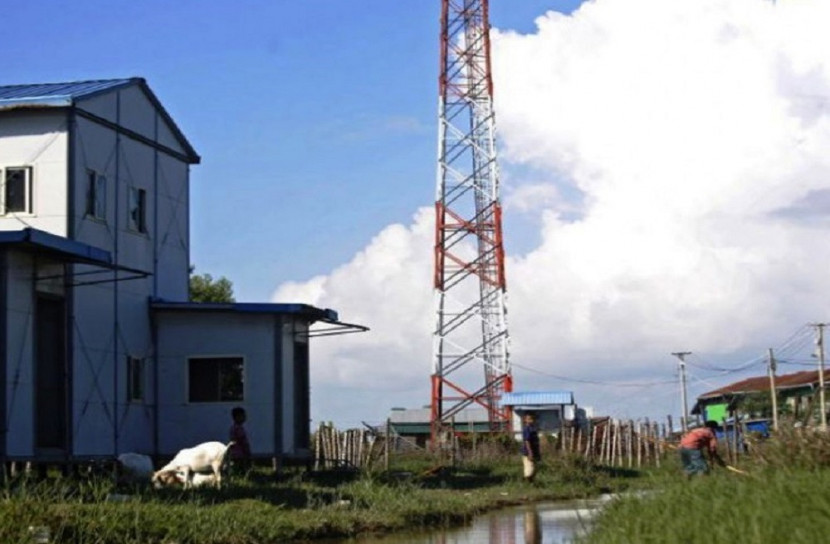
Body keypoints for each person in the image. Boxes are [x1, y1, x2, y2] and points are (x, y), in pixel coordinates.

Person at [228, 406, 252, 473]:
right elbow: (243, 441)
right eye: (243, 416)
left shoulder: (232, 428)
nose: (244, 417)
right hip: (240, 453)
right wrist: (247, 450)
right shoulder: (238, 429)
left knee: (237, 467)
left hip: (234, 453)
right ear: (236, 417)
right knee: (242, 467)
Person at [521, 412, 541, 483]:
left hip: (535, 451)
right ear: (525, 420)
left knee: (535, 468)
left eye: (532, 419)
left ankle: (532, 483)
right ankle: (525, 482)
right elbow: (527, 441)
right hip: (528, 452)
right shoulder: (527, 429)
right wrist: (530, 452)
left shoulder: (533, 429)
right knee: (529, 469)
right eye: (529, 419)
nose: (531, 420)